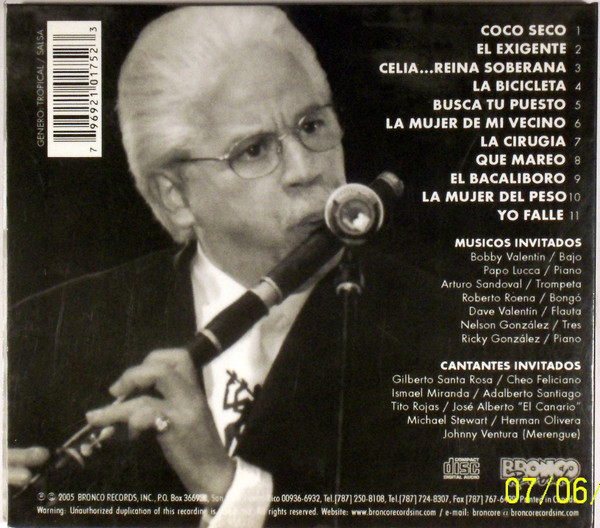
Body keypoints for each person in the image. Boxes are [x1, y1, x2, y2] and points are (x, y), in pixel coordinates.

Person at [8, 6, 452, 527]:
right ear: (175, 198)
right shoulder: (40, 334)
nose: (307, 169)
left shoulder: (448, 332)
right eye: (254, 150)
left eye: (312, 125)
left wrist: (229, 491)